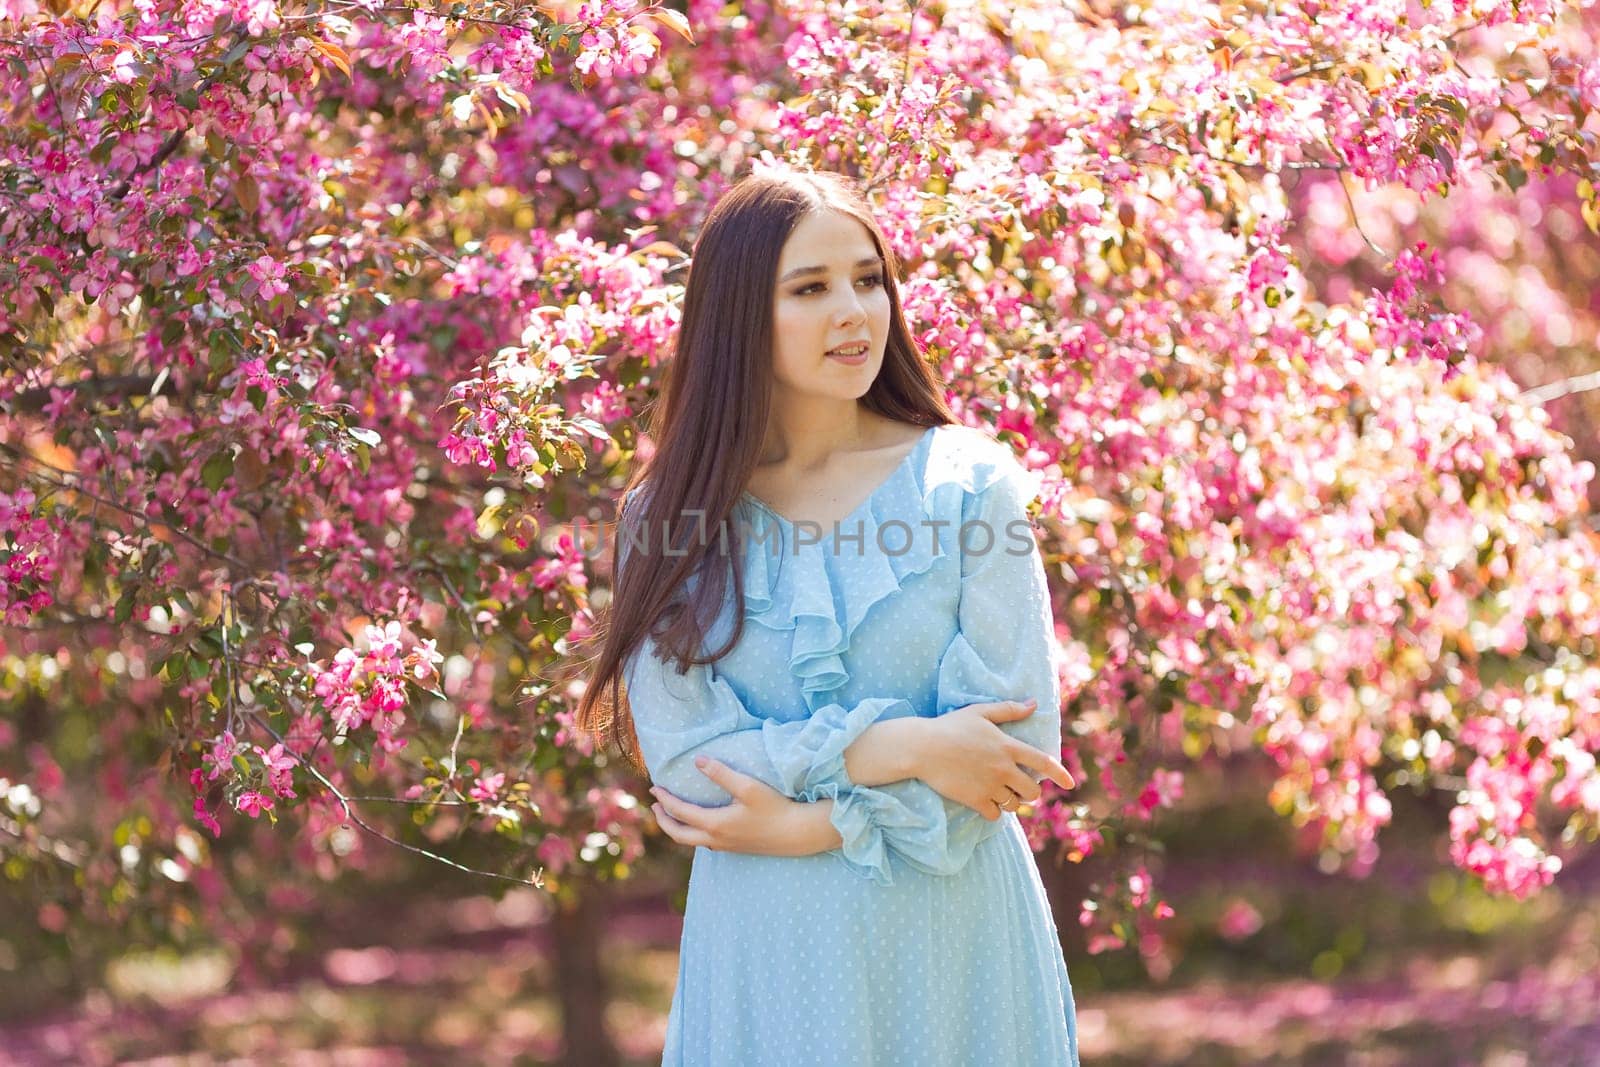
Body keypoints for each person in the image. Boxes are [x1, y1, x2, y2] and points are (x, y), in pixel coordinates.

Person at [576, 163, 1081, 1066]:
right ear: (739, 315)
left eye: (868, 278)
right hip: (766, 947)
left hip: (951, 938)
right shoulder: (668, 517)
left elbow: (1015, 748)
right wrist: (909, 747)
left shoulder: (968, 486)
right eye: (810, 288)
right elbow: (691, 766)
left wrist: (811, 823)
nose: (855, 311)